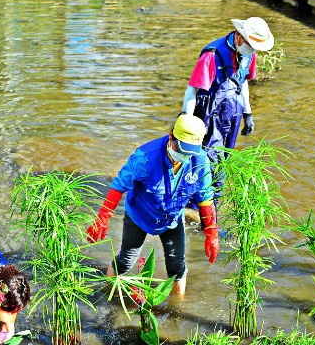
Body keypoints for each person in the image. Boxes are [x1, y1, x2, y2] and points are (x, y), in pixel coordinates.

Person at [87, 115, 219, 298]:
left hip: (172, 219)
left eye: (190, 152)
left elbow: (205, 199)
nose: (185, 156)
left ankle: (178, 311)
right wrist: (103, 217)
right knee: (126, 260)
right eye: (182, 150)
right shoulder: (145, 158)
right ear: (171, 136)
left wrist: (212, 233)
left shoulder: (200, 161)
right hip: (139, 215)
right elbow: (119, 186)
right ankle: (108, 295)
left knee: (176, 266)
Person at [182, 17, 275, 154]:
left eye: (254, 47)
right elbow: (192, 91)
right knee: (206, 156)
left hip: (233, 111)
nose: (251, 50)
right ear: (238, 35)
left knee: (226, 156)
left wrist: (247, 113)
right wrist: (186, 123)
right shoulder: (212, 55)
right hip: (209, 114)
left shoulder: (250, 55)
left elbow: (242, 82)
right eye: (249, 45)